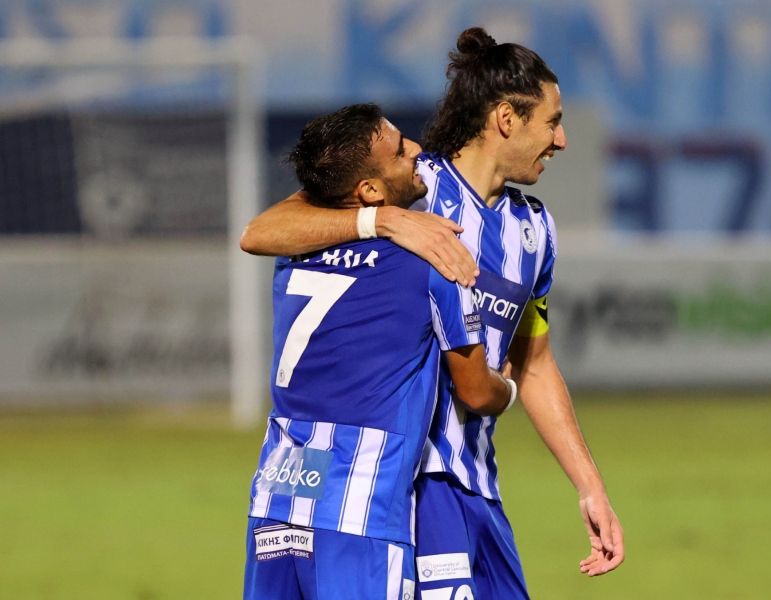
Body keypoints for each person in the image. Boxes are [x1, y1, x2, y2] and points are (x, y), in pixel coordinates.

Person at [241, 28, 625, 598]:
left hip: (479, 485)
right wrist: (384, 219)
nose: (562, 140)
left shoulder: (535, 230)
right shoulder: (412, 187)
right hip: (414, 488)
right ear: (506, 119)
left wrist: (589, 485)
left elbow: (535, 363)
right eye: (552, 122)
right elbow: (264, 229)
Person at [244, 103, 515, 600]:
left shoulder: (294, 249)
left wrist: (380, 219)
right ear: (369, 191)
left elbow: (262, 229)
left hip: (277, 493)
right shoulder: (435, 259)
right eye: (400, 150)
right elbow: (476, 391)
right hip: (359, 506)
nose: (417, 151)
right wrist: (508, 387)